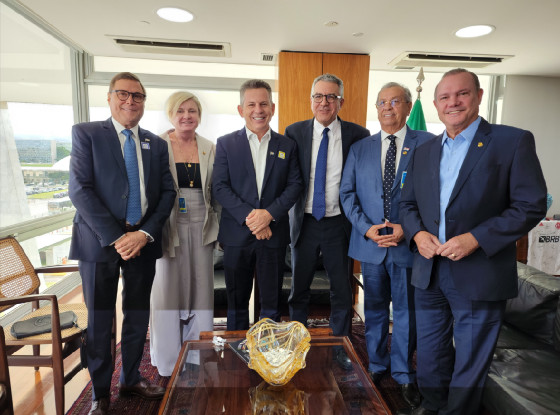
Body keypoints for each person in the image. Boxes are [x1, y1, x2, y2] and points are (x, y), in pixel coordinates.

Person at [398, 68, 547, 415]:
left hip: (480, 270)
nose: (453, 102)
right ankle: (433, 406)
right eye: (445, 97)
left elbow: (531, 204)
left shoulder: (512, 141)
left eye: (461, 94)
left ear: (479, 96)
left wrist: (476, 238)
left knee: (471, 358)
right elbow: (406, 204)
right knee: (431, 351)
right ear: (435, 105)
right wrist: (418, 234)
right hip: (429, 270)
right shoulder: (424, 150)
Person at [68, 72, 176, 415]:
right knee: (100, 321)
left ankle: (130, 377)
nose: (131, 101)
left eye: (138, 96)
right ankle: (100, 393)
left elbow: (168, 193)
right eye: (123, 94)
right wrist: (117, 238)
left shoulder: (156, 144)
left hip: (142, 241)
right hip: (99, 243)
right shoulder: (86, 134)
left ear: (144, 102)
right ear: (110, 97)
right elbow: (79, 190)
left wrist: (143, 234)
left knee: (136, 314)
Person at [340, 82, 434, 406]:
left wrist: (407, 229)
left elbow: (433, 197)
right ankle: (376, 366)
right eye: (381, 102)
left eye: (395, 102)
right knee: (375, 309)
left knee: (406, 311)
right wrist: (367, 229)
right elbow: (347, 195)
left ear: (408, 107)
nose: (387, 108)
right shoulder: (360, 149)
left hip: (408, 246)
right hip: (371, 247)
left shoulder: (427, 144)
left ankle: (404, 374)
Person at [286, 73, 370, 369]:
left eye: (331, 96)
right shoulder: (293, 132)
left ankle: (341, 345)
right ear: (311, 100)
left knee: (341, 288)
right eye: (319, 96)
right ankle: (296, 342)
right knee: (300, 287)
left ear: (341, 102)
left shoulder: (358, 134)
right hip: (305, 220)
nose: (324, 102)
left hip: (339, 222)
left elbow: (364, 180)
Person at [212, 79, 302, 330]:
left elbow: (294, 185)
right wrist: (253, 218)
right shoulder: (226, 143)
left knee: (271, 304)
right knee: (237, 303)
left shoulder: (287, 145)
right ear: (241, 110)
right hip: (236, 235)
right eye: (251, 104)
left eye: (263, 103)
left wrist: (269, 215)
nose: (258, 110)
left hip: (272, 235)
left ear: (272, 107)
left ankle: (268, 357)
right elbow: (219, 186)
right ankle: (236, 355)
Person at [149, 91, 220, 376]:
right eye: (180, 111)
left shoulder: (209, 147)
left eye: (192, 111)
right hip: (168, 223)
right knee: (168, 287)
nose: (186, 116)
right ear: (171, 115)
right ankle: (167, 360)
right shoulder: (157, 146)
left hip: (202, 222)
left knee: (201, 287)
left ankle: (197, 356)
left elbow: (215, 191)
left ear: (199, 115)